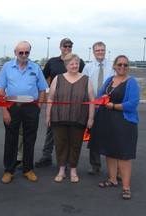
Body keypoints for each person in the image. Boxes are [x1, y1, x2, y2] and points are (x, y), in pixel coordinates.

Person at [0, 41, 48, 184]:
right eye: (21, 52)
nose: (24, 55)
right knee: (11, 139)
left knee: (29, 139)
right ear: (15, 52)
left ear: (30, 53)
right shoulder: (7, 67)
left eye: (27, 52)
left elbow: (42, 89)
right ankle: (9, 170)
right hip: (12, 107)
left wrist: (39, 107)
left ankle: (27, 169)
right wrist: (4, 110)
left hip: (31, 108)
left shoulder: (36, 68)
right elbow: (1, 90)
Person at [89, 55, 139, 200]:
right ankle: (112, 179)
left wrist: (114, 106)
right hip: (106, 121)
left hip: (123, 123)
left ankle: (126, 187)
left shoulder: (132, 82)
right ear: (114, 66)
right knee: (109, 151)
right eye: (119, 64)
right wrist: (103, 96)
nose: (122, 67)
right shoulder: (110, 80)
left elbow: (132, 104)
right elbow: (99, 97)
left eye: (125, 65)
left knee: (124, 155)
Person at [35, 38, 85, 168]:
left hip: (74, 105)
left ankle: (68, 161)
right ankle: (46, 156)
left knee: (71, 133)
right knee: (52, 131)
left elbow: (83, 78)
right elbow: (42, 78)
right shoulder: (52, 62)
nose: (67, 48)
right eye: (65, 46)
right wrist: (47, 93)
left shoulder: (79, 62)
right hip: (56, 103)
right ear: (60, 47)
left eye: (69, 46)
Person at [45, 53, 95, 183]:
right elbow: (50, 97)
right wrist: (48, 115)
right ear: (66, 65)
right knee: (60, 144)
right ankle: (61, 170)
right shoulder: (58, 78)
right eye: (71, 64)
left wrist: (91, 118)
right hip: (58, 117)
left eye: (76, 63)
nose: (74, 66)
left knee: (75, 144)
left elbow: (92, 100)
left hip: (78, 118)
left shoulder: (86, 80)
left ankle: (73, 169)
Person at [82, 42, 115, 175]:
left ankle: (115, 168)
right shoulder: (88, 68)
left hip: (109, 105)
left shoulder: (113, 66)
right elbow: (84, 85)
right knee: (94, 136)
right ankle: (95, 165)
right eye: (97, 50)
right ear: (93, 52)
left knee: (111, 136)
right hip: (93, 106)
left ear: (105, 51)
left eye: (102, 50)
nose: (100, 52)